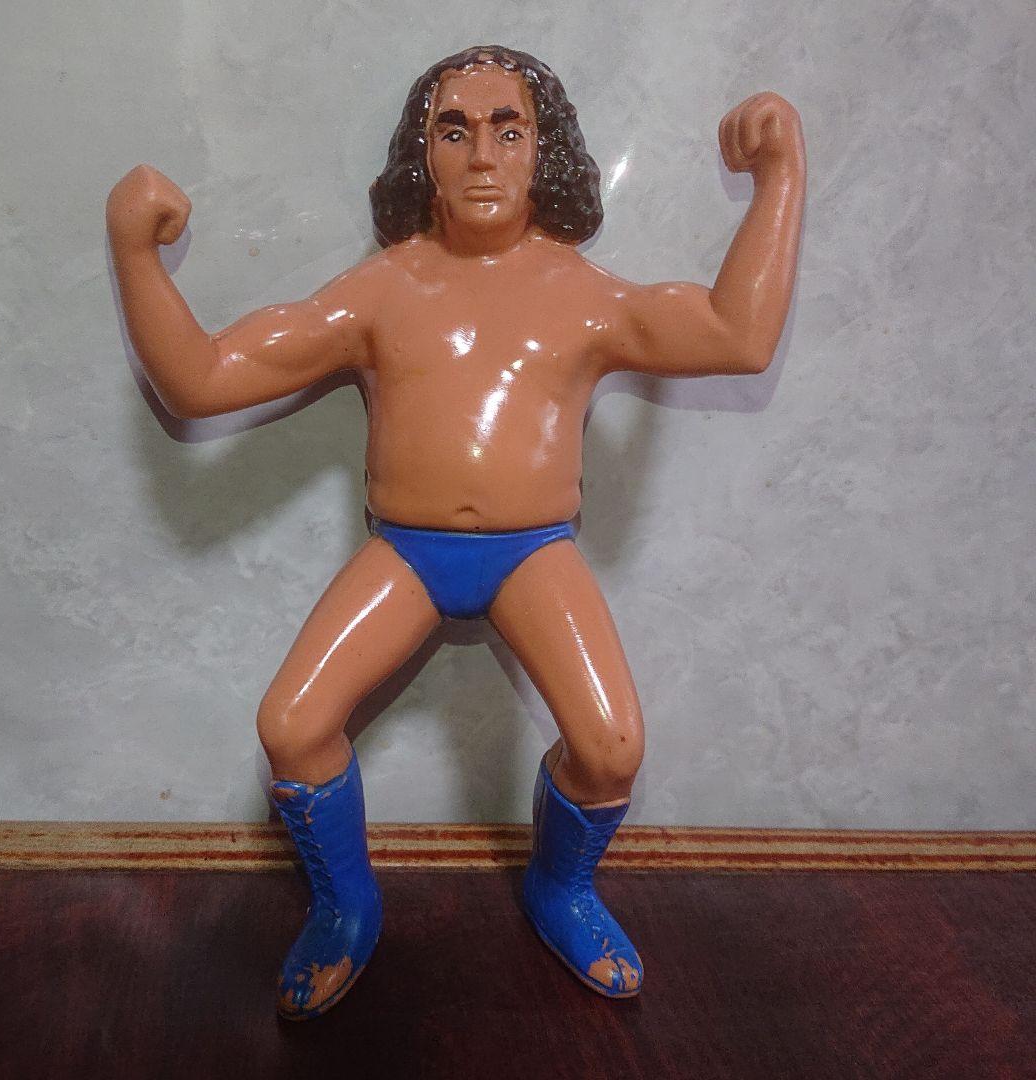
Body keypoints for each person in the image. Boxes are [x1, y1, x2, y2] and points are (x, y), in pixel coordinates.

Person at [106, 44, 805, 1018]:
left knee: (611, 747)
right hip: (407, 552)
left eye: (508, 131)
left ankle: (561, 888)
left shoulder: (582, 294)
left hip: (533, 554)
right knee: (292, 727)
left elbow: (738, 336)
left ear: (544, 152)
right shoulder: (380, 290)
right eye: (455, 130)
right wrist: (135, 251)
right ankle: (344, 908)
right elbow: (203, 380)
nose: (482, 155)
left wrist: (780, 176)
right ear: (421, 155)